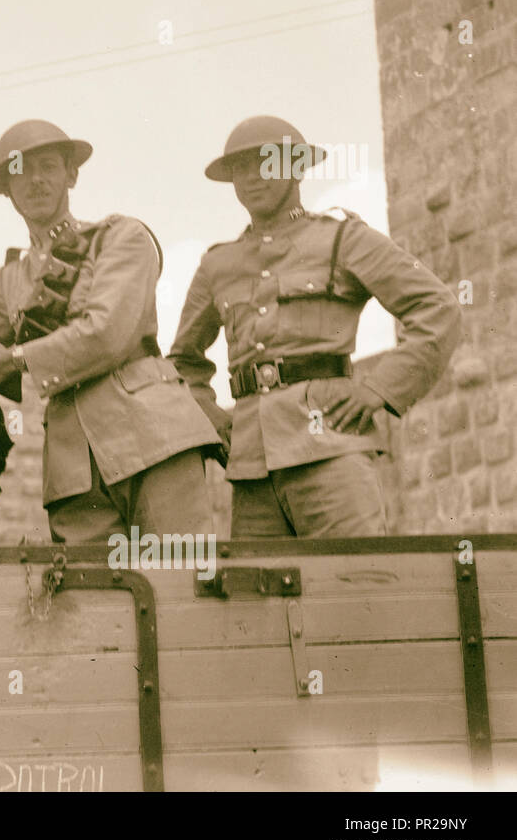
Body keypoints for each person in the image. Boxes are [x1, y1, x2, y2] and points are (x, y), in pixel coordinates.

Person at [169, 115, 462, 537]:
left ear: (297, 167)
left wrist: (378, 389)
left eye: (267, 162)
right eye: (240, 168)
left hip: (332, 452)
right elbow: (181, 362)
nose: (253, 177)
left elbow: (438, 308)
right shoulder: (218, 265)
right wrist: (212, 419)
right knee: (258, 598)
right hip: (252, 470)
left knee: (356, 587)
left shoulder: (342, 239)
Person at [0, 119, 222, 543]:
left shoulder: (121, 238)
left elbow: (107, 333)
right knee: (90, 601)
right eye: (21, 171)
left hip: (153, 438)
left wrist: (12, 359)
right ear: (7, 191)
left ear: (72, 175)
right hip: (74, 469)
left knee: (182, 583)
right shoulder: (9, 281)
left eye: (47, 166)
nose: (36, 180)